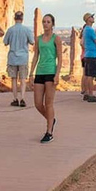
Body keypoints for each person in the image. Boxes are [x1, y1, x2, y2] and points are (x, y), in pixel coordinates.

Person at [30, 13, 62, 143]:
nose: (45, 24)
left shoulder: (56, 38)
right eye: (44, 21)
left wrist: (57, 74)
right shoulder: (38, 39)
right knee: (38, 104)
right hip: (40, 72)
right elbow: (35, 56)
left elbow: (60, 58)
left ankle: (49, 132)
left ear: (52, 24)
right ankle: (51, 119)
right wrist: (31, 73)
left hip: (50, 72)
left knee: (49, 103)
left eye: (48, 22)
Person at [3, 11, 35, 107]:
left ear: (14, 18)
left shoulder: (10, 30)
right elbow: (32, 42)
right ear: (22, 18)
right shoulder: (27, 30)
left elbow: (5, 42)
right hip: (23, 58)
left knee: (13, 79)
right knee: (22, 79)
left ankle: (15, 99)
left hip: (12, 58)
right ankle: (22, 99)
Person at [81, 13, 96, 102]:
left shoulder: (85, 29)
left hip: (87, 54)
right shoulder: (90, 30)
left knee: (88, 75)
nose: (93, 18)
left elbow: (83, 43)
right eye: (92, 17)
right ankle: (91, 94)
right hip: (92, 54)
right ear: (88, 19)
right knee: (91, 76)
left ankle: (87, 93)